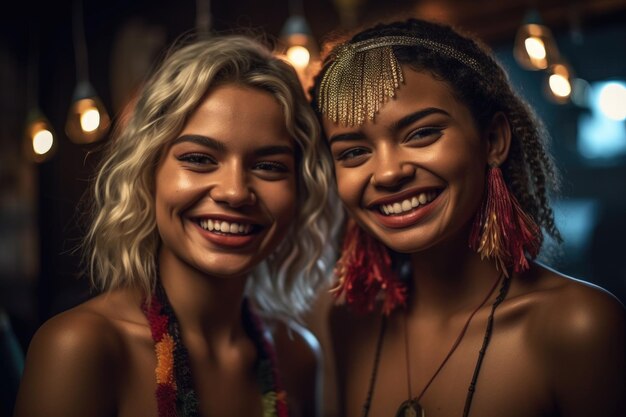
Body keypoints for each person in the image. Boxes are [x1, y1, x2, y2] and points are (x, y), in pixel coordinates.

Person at [310, 18, 626, 417]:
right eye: (353, 152)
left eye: (421, 133)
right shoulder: (350, 325)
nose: (388, 173)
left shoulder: (578, 326)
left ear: (492, 141)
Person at [14, 34, 337, 417]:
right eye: (200, 158)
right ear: (146, 173)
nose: (235, 192)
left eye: (268, 166)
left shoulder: (297, 356)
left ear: (300, 190)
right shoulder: (80, 347)